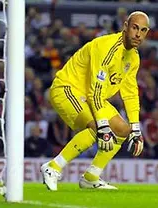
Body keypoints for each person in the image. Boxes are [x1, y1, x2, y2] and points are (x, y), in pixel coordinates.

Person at [41, 11, 148, 191]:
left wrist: (136, 128)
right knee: (97, 127)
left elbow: (130, 93)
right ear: (125, 27)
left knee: (123, 130)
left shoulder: (134, 58)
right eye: (135, 28)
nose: (138, 34)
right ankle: (53, 167)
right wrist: (104, 125)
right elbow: (95, 91)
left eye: (143, 30)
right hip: (67, 88)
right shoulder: (107, 48)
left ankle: (91, 177)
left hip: (91, 96)